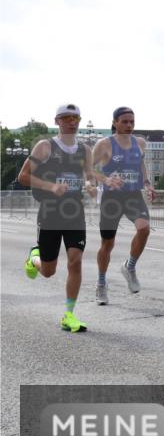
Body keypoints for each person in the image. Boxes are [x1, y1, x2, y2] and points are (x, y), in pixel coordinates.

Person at [19, 104, 99, 332]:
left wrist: (91, 186)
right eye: (66, 118)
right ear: (57, 121)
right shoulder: (46, 147)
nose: (71, 122)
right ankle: (33, 259)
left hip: (75, 213)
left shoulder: (85, 150)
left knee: (75, 261)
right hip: (51, 213)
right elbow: (23, 176)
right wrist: (51, 186)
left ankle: (69, 315)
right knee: (48, 271)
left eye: (75, 118)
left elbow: (90, 177)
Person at [91, 107, 153, 303]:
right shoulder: (104, 144)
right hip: (112, 198)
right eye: (125, 122)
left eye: (132, 122)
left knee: (144, 229)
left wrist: (147, 183)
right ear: (115, 122)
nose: (129, 126)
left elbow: (141, 164)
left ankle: (130, 267)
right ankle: (101, 283)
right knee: (107, 244)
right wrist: (105, 180)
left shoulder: (140, 143)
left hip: (133, 195)